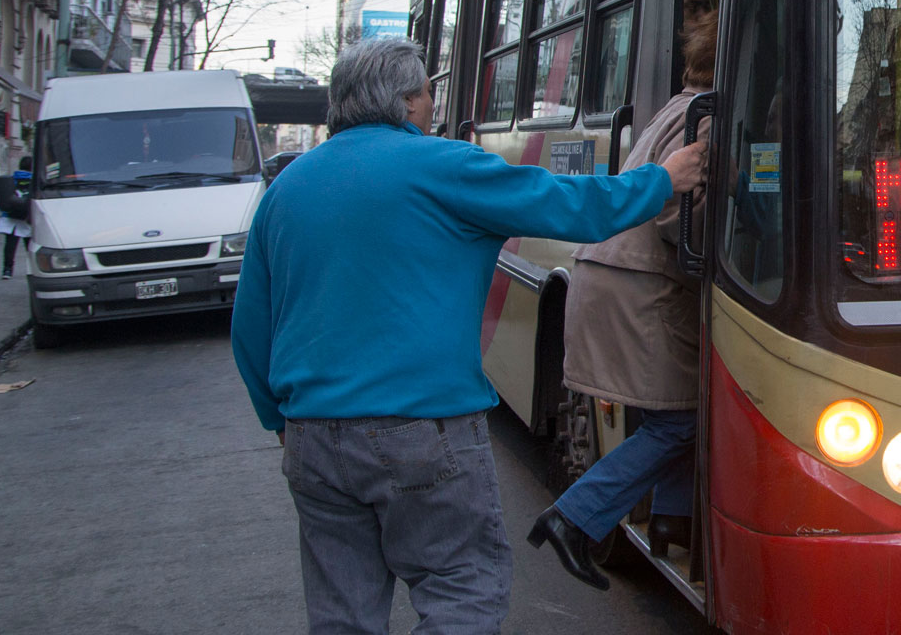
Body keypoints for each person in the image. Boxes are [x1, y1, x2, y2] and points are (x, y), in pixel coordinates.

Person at [230, 38, 706, 635]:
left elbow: (250, 329)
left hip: (313, 439)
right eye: (430, 92)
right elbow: (576, 208)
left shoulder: (287, 190)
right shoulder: (445, 167)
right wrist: (664, 178)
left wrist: (281, 424)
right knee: (461, 592)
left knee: (341, 615)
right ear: (406, 102)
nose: (433, 106)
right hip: (423, 430)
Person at [530, 10, 717, 591]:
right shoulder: (710, 117)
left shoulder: (678, 104)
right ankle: (573, 518)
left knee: (680, 408)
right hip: (645, 288)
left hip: (615, 276)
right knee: (682, 421)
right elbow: (677, 215)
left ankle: (669, 519)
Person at [0, 156, 33, 279]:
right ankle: (32, 269)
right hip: (28, 218)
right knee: (30, 246)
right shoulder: (35, 180)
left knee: (10, 245)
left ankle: (7, 270)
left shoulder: (11, 179)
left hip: (10, 218)